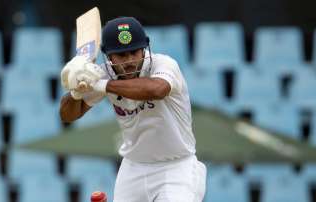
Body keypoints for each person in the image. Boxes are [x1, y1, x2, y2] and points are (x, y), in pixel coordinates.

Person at [59, 17, 206, 202]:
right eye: (121, 55)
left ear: (144, 50)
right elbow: (67, 116)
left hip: (177, 168)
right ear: (109, 56)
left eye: (134, 52)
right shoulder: (103, 75)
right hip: (133, 168)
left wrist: (101, 85)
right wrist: (76, 92)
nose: (129, 61)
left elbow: (156, 90)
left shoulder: (164, 65)